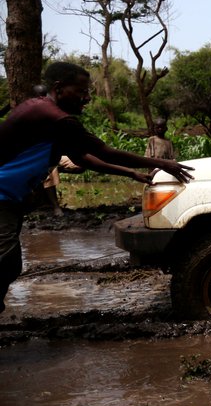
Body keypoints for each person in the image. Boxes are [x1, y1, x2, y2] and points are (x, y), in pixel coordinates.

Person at [1, 62, 194, 314]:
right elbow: (104, 151)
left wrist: (131, 173)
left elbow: (82, 158)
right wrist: (161, 163)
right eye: (81, 91)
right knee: (4, 262)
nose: (87, 97)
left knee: (9, 264)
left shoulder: (45, 114)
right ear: (59, 89)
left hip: (11, 200)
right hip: (2, 197)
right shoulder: (55, 117)